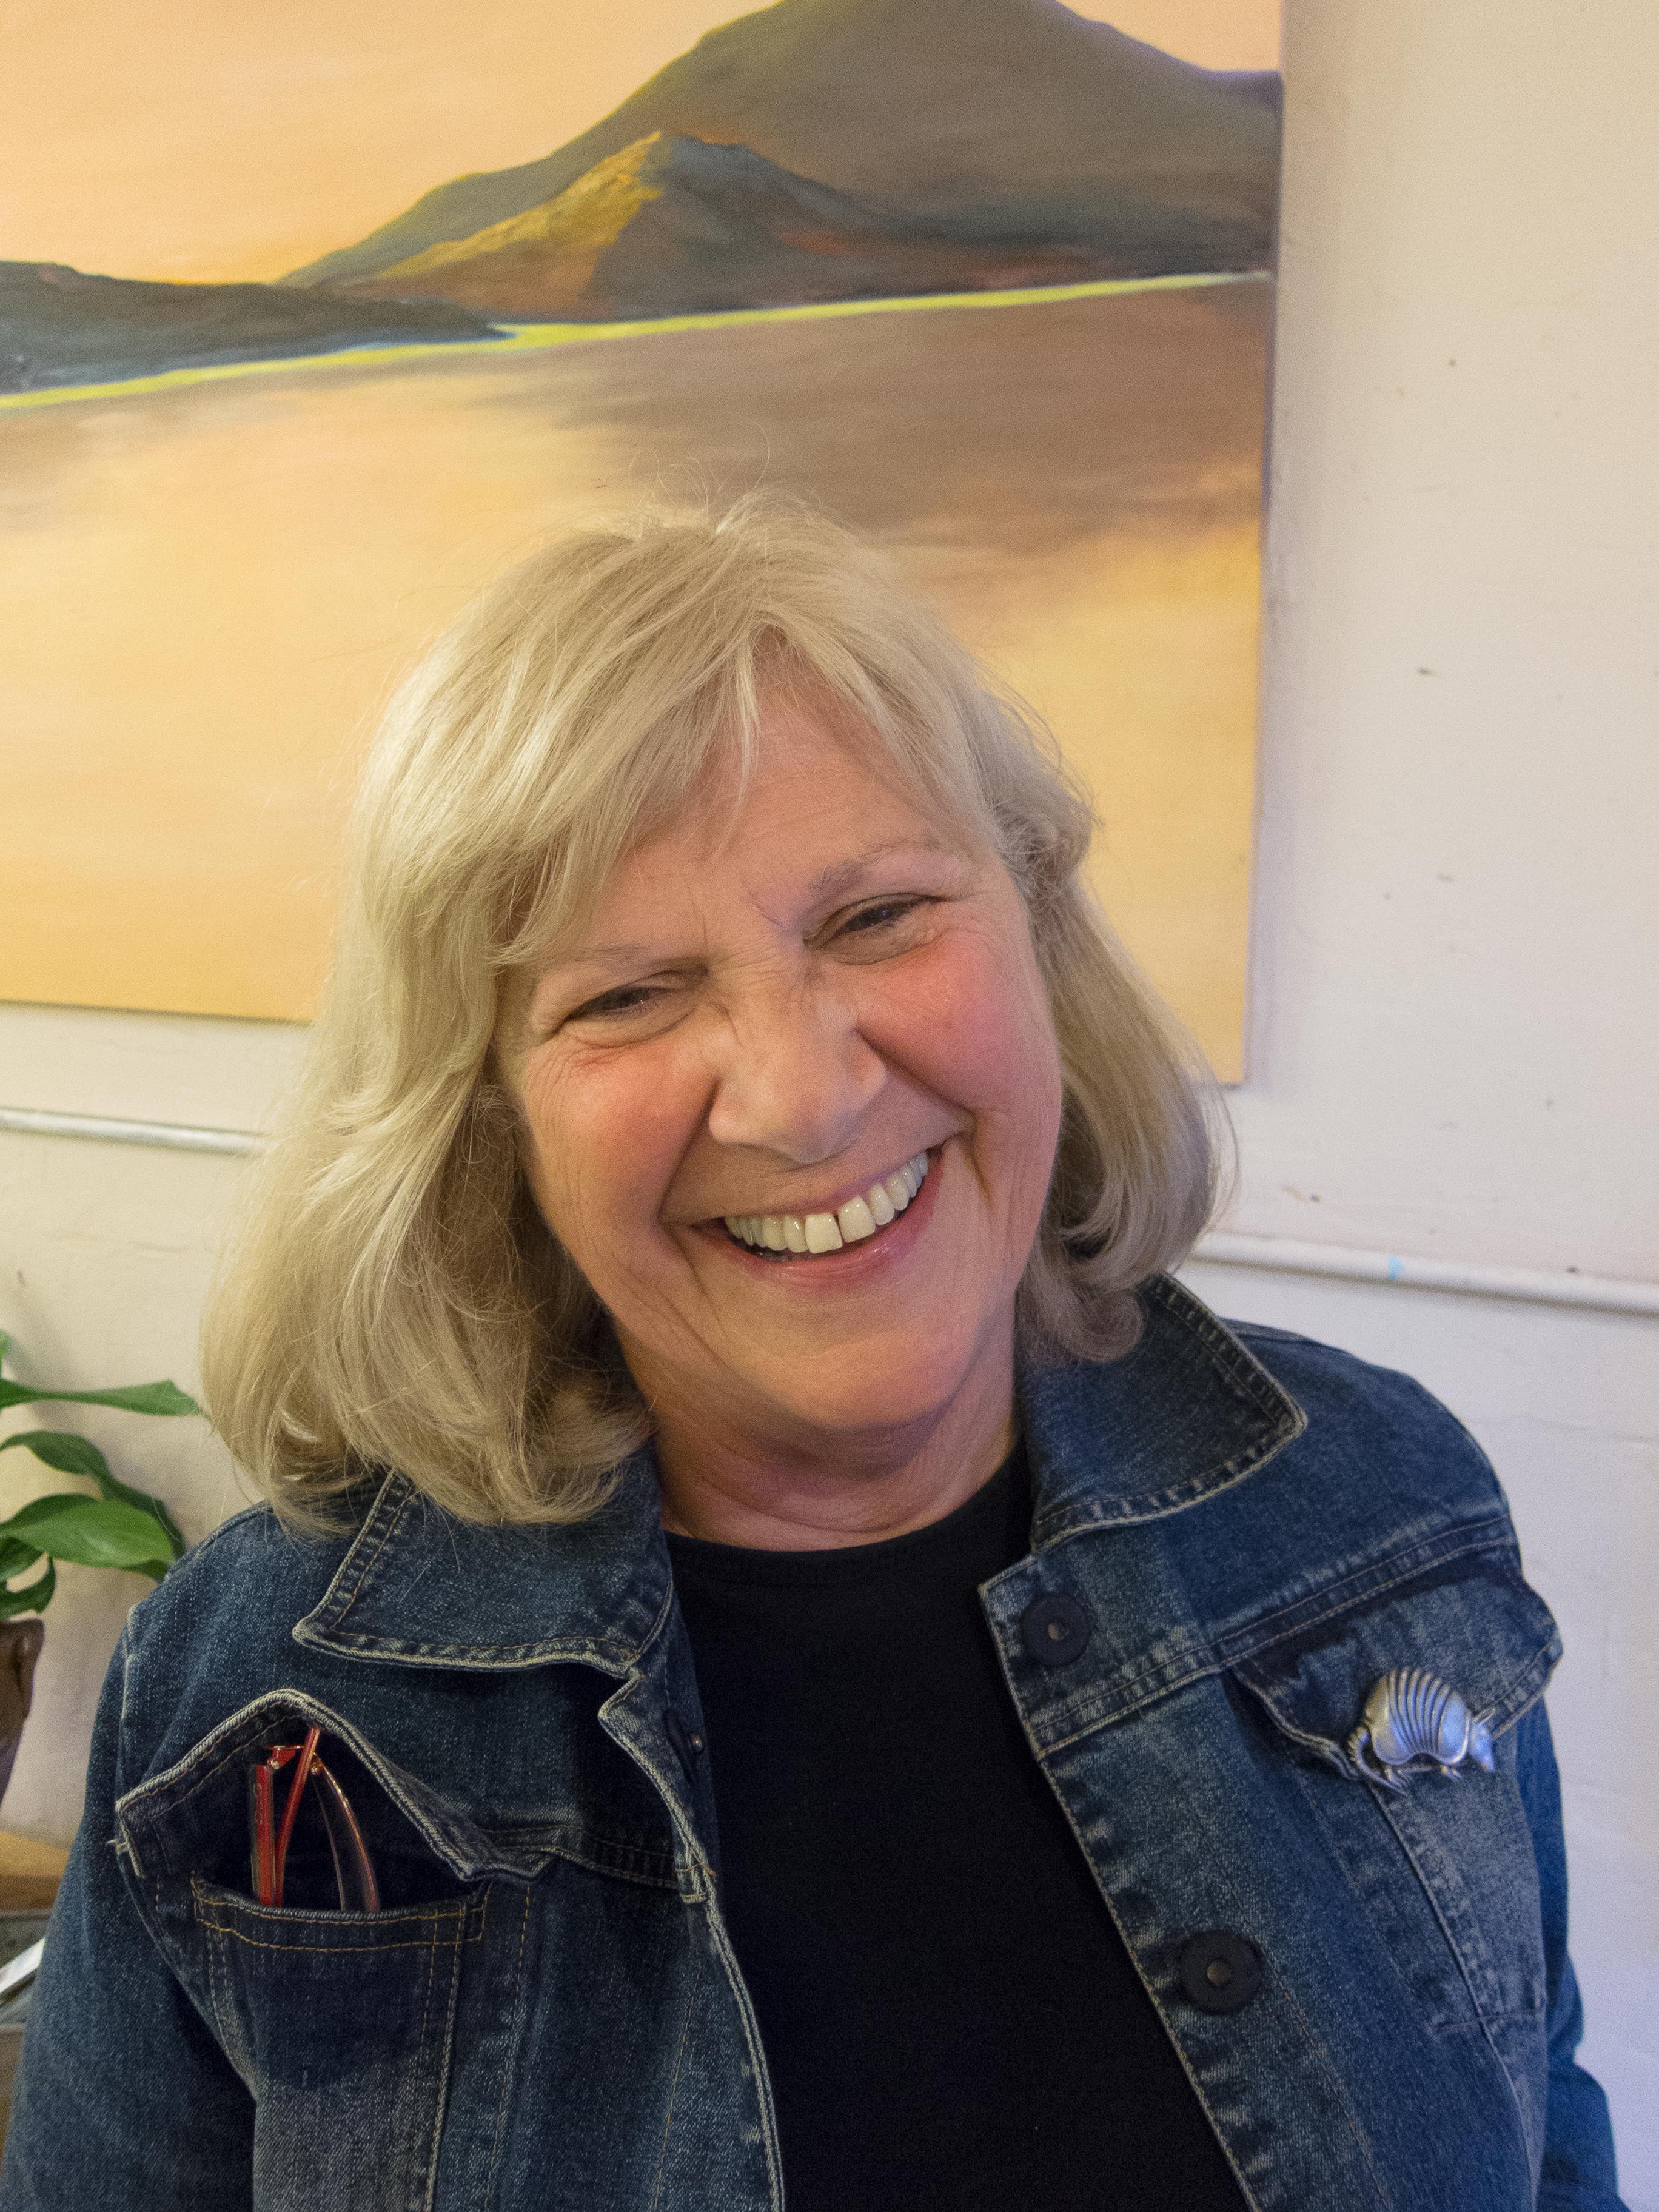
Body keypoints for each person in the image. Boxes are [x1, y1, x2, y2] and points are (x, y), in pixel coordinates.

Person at [0, 503, 1622, 2212]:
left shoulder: (1376, 1506)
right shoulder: (264, 1693)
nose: (799, 1098)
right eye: (627, 994)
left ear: (1039, 933)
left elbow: (1542, 2138)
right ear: (492, 1122)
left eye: (877, 918)